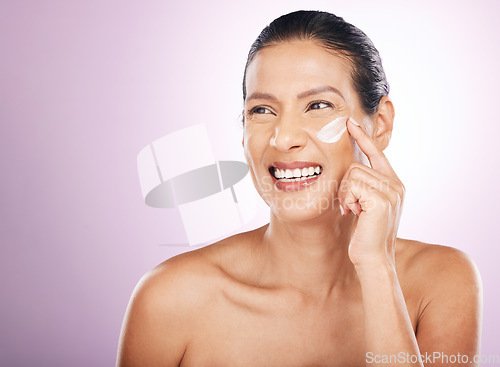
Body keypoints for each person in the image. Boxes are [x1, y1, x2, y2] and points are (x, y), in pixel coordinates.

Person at [116, 10, 482, 367]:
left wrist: (377, 267)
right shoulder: (170, 298)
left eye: (318, 105)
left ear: (380, 124)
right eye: (261, 110)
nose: (284, 137)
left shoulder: (442, 282)